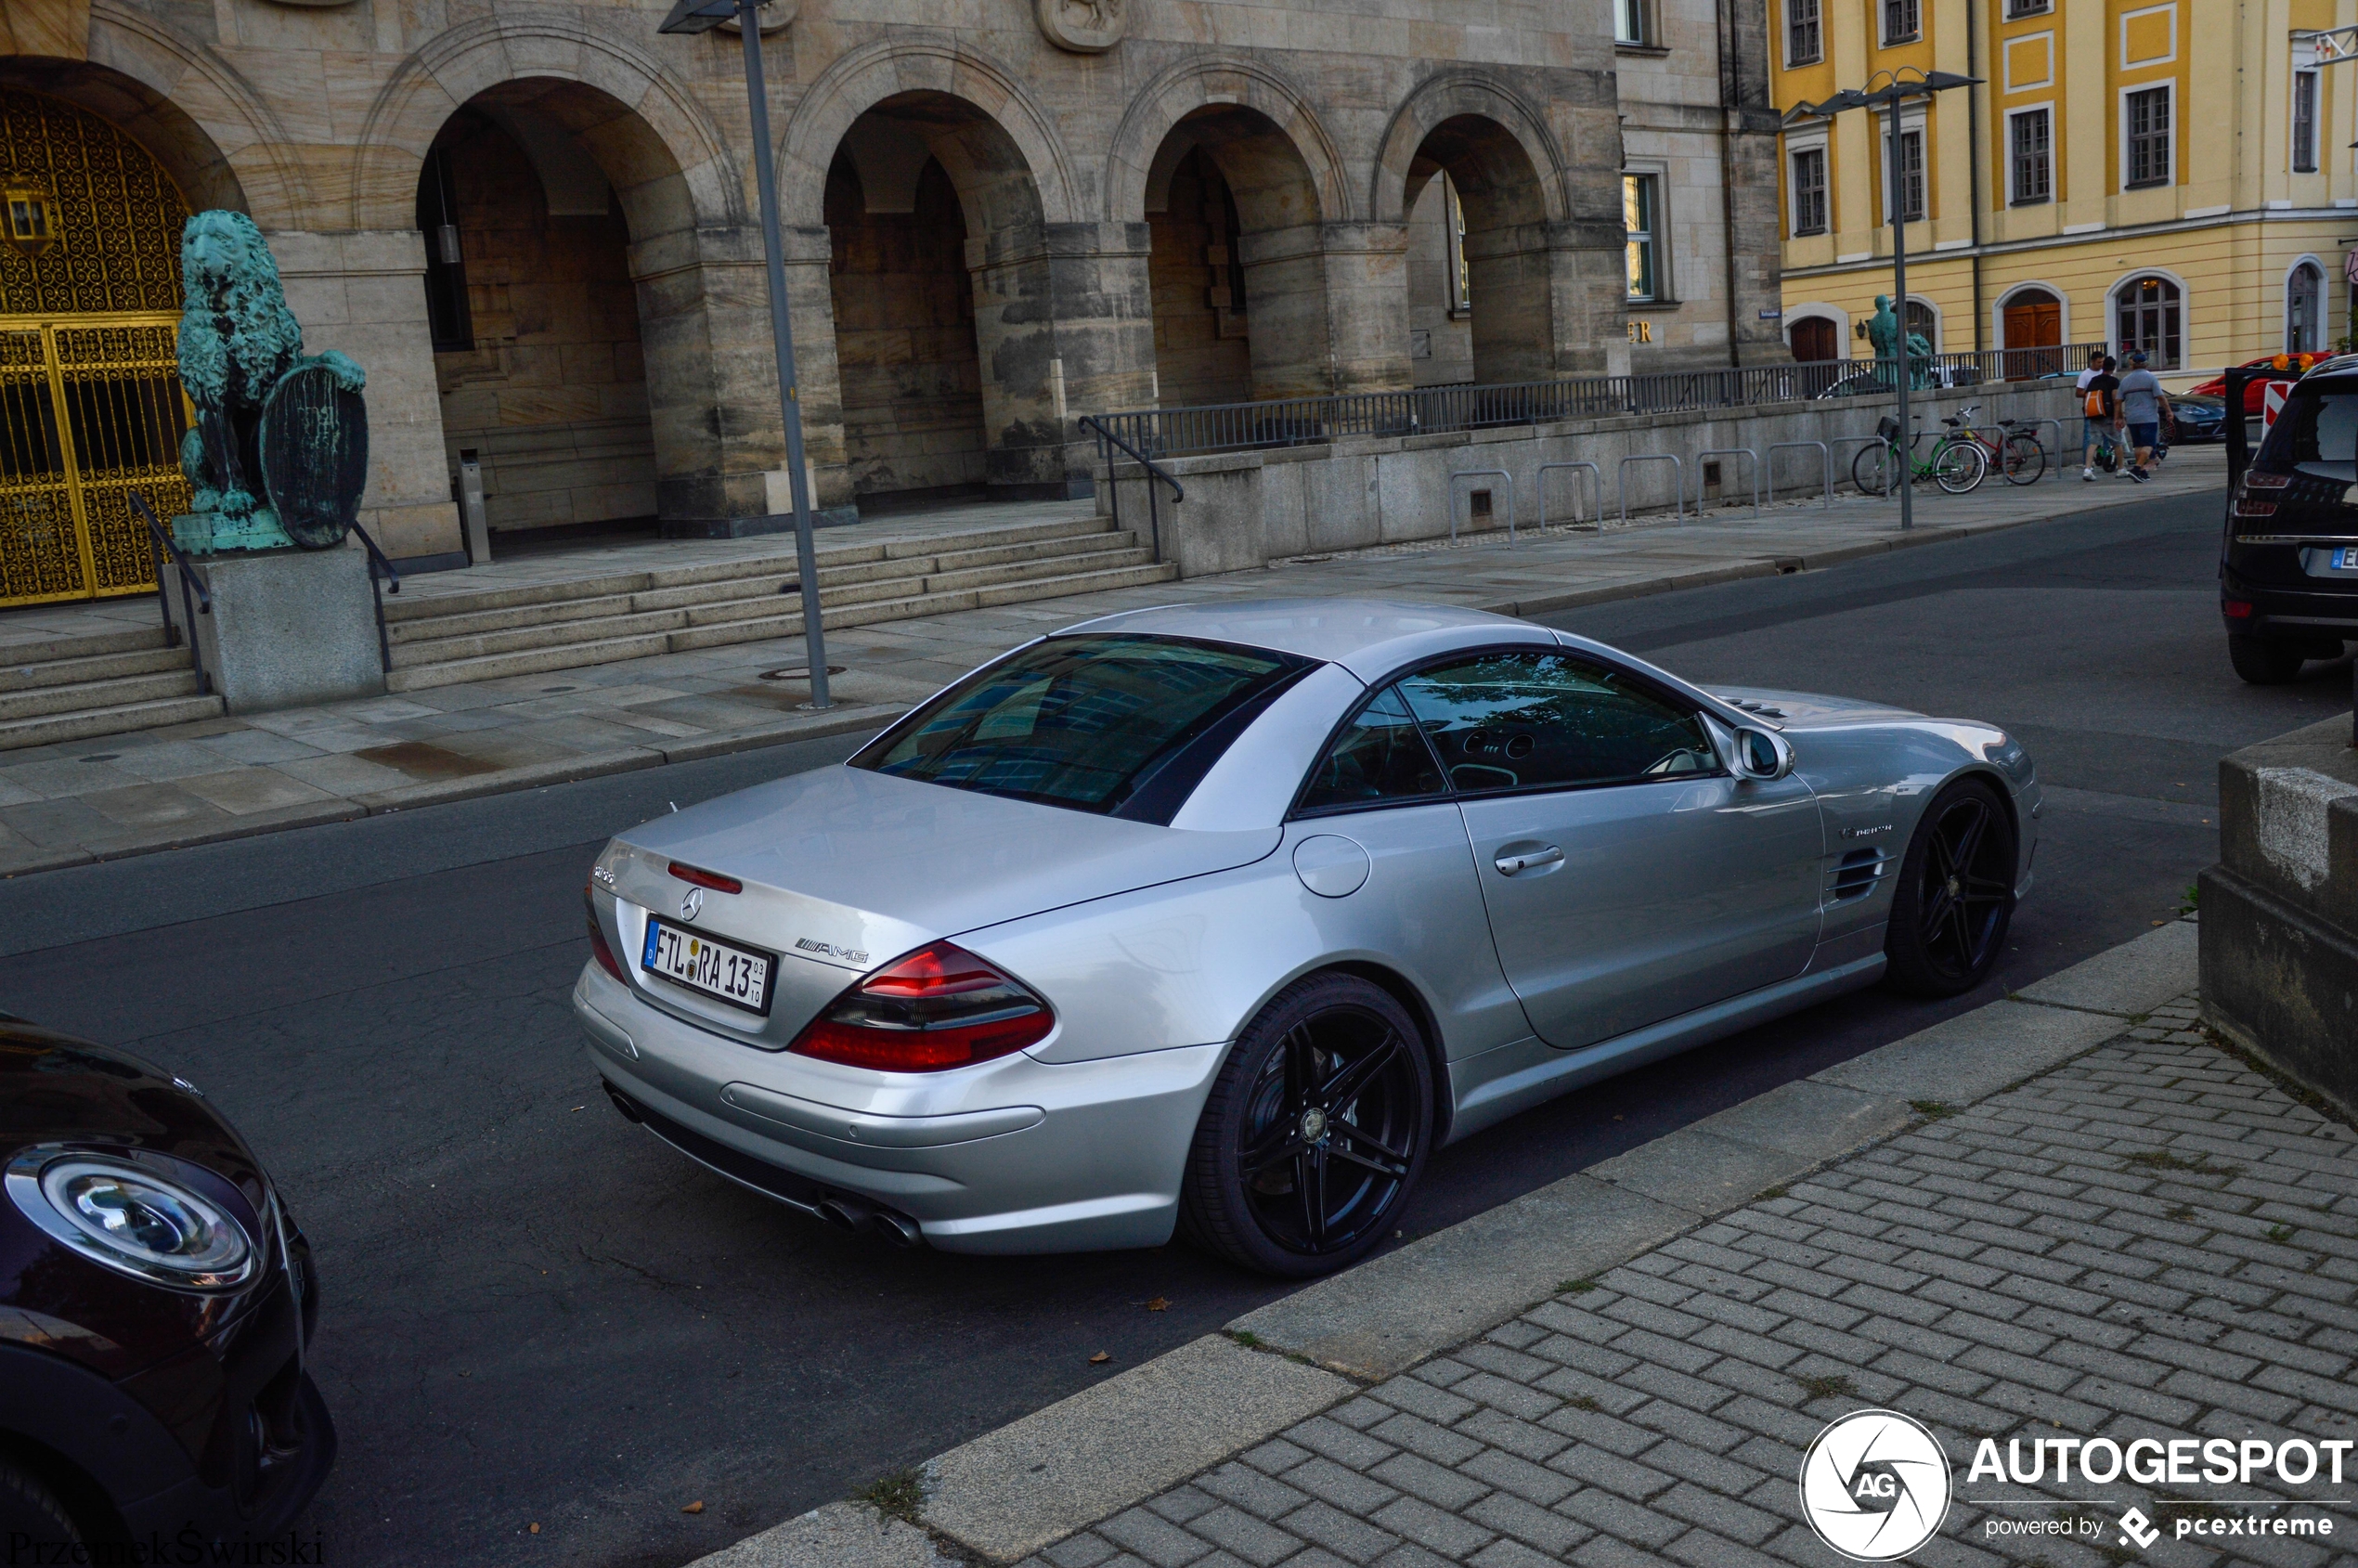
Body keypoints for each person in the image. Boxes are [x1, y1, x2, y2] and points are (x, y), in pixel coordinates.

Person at [2115, 350, 2171, 483]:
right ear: (2146, 364)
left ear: (2132, 365)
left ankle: (2142, 473)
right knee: (2149, 445)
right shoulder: (2150, 378)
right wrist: (2168, 410)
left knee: (2138, 446)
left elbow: (2118, 401)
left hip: (2132, 418)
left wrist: (2118, 417)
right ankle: (2137, 468)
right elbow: (2160, 397)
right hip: (2148, 417)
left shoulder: (2125, 381)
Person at [2081, 355, 2121, 481]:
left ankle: (2087, 469)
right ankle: (2121, 469)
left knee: (2093, 443)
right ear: (2113, 368)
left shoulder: (2094, 380)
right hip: (2108, 416)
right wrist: (2118, 417)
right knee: (2117, 443)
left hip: (2094, 415)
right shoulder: (2113, 381)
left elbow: (2087, 396)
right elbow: (2116, 400)